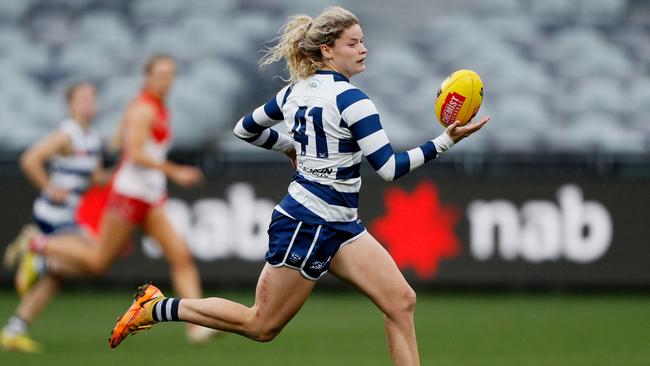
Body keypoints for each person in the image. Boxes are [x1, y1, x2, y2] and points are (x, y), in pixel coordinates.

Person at [108, 7, 489, 365]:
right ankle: (157, 307)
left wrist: (289, 146)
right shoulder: (354, 100)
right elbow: (388, 168)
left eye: (362, 41)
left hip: (339, 223)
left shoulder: (294, 91)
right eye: (353, 43)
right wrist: (445, 141)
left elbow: (246, 129)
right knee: (260, 325)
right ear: (327, 50)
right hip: (308, 223)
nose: (363, 49)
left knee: (401, 301)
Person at [14, 55, 216, 344]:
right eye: (160, 74)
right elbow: (135, 154)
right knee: (97, 263)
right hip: (130, 196)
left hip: (148, 197)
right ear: (148, 77)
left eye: (170, 74)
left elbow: (128, 144)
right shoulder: (145, 108)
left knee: (180, 255)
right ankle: (39, 245)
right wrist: (176, 171)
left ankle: (196, 327)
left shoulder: (154, 107)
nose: (166, 79)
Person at [1, 82, 106, 352]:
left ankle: (14, 329)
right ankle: (35, 248)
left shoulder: (92, 137)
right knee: (95, 258)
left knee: (57, 276)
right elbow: (30, 159)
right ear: (71, 105)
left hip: (68, 214)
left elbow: (95, 179)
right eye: (82, 100)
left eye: (91, 99)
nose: (88, 105)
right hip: (53, 214)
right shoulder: (67, 134)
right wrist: (50, 187)